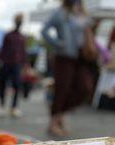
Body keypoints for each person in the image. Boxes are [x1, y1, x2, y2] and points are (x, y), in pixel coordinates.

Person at [42, 0, 94, 137]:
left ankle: (59, 114)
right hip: (64, 57)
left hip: (81, 58)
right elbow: (44, 30)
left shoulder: (81, 13)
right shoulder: (59, 13)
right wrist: (58, 43)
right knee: (62, 89)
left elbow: (88, 31)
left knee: (84, 87)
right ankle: (54, 122)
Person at [0, 14, 27, 118]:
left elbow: (23, 52)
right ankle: (2, 106)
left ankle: (14, 108)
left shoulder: (22, 37)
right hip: (6, 63)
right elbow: (3, 49)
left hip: (17, 64)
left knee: (17, 85)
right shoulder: (8, 35)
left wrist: (24, 65)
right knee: (3, 84)